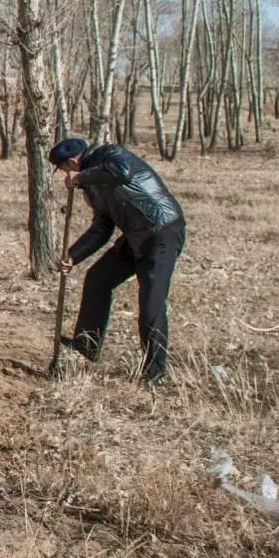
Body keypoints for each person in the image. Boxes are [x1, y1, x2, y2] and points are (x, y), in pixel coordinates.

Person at [48, 137, 186, 385]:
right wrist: (73, 255)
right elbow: (102, 227)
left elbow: (121, 172)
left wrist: (80, 178)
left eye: (65, 170)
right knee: (98, 279)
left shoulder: (111, 155)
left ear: (72, 162)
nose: (66, 176)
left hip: (161, 232)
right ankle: (87, 344)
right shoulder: (92, 187)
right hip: (134, 237)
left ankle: (155, 373)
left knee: (151, 303)